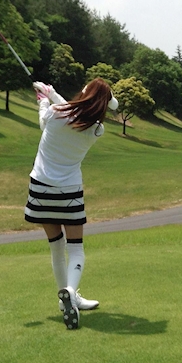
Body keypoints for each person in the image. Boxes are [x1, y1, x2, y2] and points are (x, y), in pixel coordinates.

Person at [24, 78, 118, 330]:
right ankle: (70, 292)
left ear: (85, 92)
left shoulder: (55, 113)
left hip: (41, 189)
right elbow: (74, 114)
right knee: (75, 248)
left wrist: (43, 100)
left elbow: (47, 119)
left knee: (57, 246)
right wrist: (52, 92)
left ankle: (66, 298)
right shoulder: (97, 130)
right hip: (69, 193)